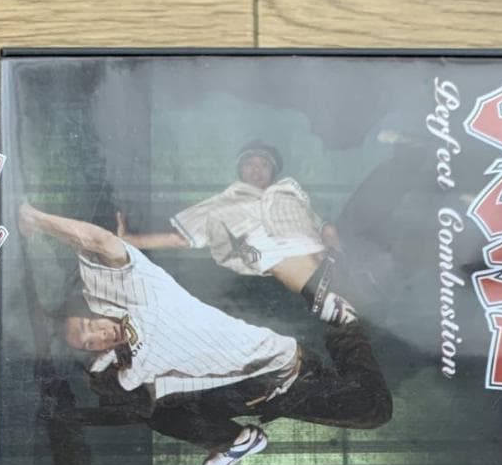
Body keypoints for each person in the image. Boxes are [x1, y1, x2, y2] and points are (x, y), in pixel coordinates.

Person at [19, 200, 391, 465]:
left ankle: (344, 325)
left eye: (92, 326)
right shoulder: (116, 364)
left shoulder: (133, 290)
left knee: (374, 410)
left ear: (95, 308)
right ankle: (233, 441)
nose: (100, 335)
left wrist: (36, 219)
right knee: (154, 410)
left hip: (282, 372)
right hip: (242, 395)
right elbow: (115, 392)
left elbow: (99, 241)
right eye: (91, 343)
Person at [118, 138, 429, 328]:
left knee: (388, 240)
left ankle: (412, 158)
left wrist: (328, 230)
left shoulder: (288, 192)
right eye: (249, 164)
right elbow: (181, 239)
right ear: (240, 170)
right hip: (316, 283)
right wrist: (131, 240)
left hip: (341, 260)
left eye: (263, 164)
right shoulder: (223, 206)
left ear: (273, 171)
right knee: (367, 308)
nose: (256, 170)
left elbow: (320, 223)